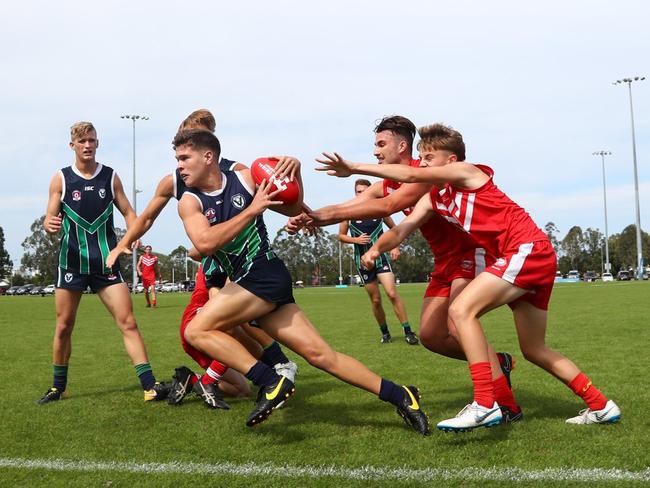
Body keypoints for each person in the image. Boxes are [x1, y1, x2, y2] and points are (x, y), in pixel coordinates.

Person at [317, 122, 621, 430]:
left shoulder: (467, 172)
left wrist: (353, 166)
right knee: (533, 349)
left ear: (451, 161)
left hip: (526, 250)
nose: (422, 165)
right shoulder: (436, 197)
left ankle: (486, 403)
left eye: (428, 158)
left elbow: (409, 177)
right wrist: (370, 247)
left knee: (461, 311)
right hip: (527, 259)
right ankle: (600, 404)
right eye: (421, 158)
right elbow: (402, 229)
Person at [174, 128, 430, 434]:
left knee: (197, 329)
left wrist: (295, 172)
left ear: (208, 156)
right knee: (322, 356)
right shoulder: (189, 202)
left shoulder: (245, 177)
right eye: (177, 159)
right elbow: (203, 244)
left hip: (263, 273)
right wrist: (253, 210)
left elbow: (293, 207)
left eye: (184, 158)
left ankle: (271, 381)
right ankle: (401, 395)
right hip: (249, 282)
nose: (179, 166)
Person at [291, 116, 521, 421]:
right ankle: (498, 363)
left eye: (380, 144)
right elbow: (352, 206)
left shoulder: (423, 173)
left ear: (402, 145)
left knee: (457, 324)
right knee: (431, 335)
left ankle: (505, 406)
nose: (375, 150)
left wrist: (348, 178)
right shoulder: (387, 182)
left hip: (470, 252)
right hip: (445, 262)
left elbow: (387, 207)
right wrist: (313, 216)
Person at [105, 109, 299, 397]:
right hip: (212, 260)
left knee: (230, 319)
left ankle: (275, 367)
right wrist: (123, 244)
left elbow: (274, 197)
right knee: (209, 325)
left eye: (207, 133)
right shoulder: (174, 180)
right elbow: (146, 218)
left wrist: (302, 215)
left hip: (240, 257)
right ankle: (262, 371)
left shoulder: (235, 170)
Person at [38, 121, 167, 404]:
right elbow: (49, 216)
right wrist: (49, 223)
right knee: (63, 326)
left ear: (97, 143)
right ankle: (58, 387)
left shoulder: (110, 177)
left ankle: (149, 385)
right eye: (82, 141)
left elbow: (129, 213)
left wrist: (133, 235)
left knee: (128, 322)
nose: (87, 145)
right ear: (72, 145)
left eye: (92, 140)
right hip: (71, 263)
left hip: (106, 263)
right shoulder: (60, 178)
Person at [339, 179, 418, 345]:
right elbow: (341, 236)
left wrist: (395, 247)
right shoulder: (348, 211)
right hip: (362, 262)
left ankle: (408, 331)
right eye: (359, 192)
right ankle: (385, 332)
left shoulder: (380, 210)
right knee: (375, 300)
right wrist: (355, 240)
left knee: (391, 293)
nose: (362, 194)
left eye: (365, 191)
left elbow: (395, 230)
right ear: (355, 193)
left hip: (381, 257)